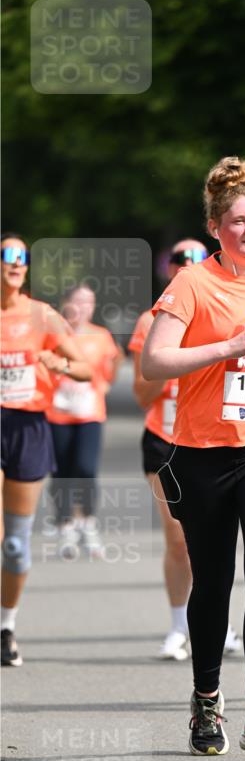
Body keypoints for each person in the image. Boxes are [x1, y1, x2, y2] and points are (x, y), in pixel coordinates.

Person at [141, 158, 245, 756]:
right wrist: (230, 346)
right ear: (215, 227)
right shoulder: (193, 284)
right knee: (214, 581)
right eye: (238, 220)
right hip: (203, 451)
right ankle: (207, 702)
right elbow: (155, 363)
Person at [129, 239, 242, 660]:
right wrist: (169, 359)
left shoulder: (224, 311)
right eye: (180, 260)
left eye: (196, 259)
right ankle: (179, 626)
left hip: (210, 435)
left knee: (215, 541)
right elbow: (143, 395)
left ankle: (218, 624)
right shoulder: (151, 320)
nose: (187, 265)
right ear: (169, 268)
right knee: (179, 540)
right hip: (164, 440)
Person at [1, 233, 91, 666]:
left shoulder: (42, 315)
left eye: (23, 256)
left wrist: (60, 365)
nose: (16, 263)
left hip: (27, 428)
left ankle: (7, 626)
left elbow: (85, 368)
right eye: (8, 255)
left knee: (15, 545)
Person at [46, 283, 122, 559]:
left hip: (90, 413)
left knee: (86, 468)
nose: (83, 307)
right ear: (65, 302)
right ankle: (65, 523)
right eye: (77, 301)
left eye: (89, 302)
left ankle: (87, 522)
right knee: (61, 471)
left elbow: (113, 361)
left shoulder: (101, 336)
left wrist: (105, 384)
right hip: (56, 412)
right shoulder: (54, 334)